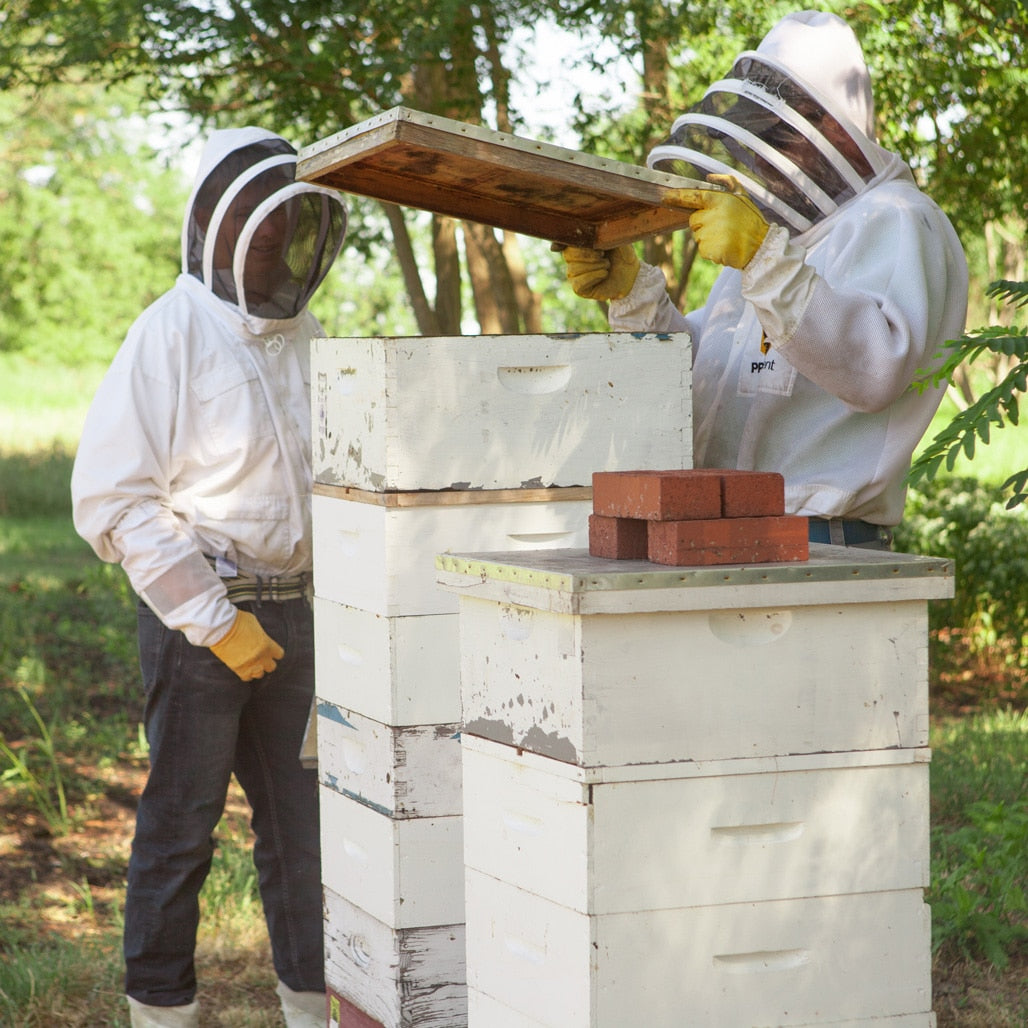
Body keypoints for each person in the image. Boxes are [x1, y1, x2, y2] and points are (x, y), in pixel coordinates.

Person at [71, 127, 348, 1028]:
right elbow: (113, 499)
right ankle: (161, 1009)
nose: (273, 249)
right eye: (259, 232)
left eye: (285, 232)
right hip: (202, 624)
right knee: (180, 828)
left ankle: (312, 1007)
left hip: (303, 617)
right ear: (216, 224)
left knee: (307, 834)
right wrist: (210, 614)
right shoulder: (168, 333)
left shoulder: (307, 337)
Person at [560, 10, 968, 548]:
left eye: (779, 133)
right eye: (757, 135)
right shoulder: (774, 241)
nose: (761, 156)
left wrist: (762, 260)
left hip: (821, 541)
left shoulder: (896, 218)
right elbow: (705, 380)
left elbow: (874, 369)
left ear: (834, 128)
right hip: (717, 528)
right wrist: (635, 294)